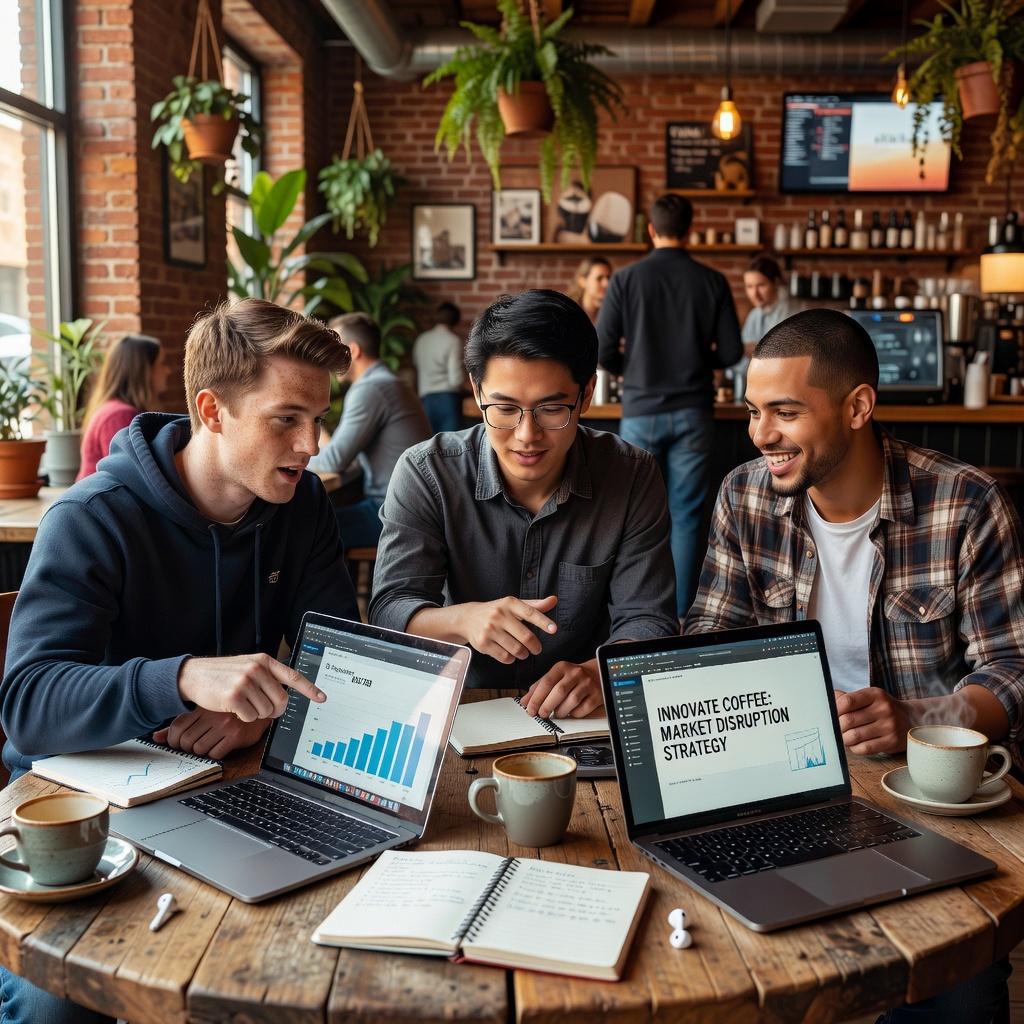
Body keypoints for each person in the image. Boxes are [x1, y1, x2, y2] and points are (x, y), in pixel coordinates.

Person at [0, 297, 357, 1024]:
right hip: (82, 812)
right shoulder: (92, 518)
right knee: (58, 1012)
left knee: (313, 964)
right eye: (287, 419)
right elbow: (29, 706)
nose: (311, 444)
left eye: (319, 420)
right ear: (212, 410)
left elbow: (342, 654)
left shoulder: (303, 507)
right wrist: (185, 675)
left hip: (234, 785)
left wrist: (264, 718)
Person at [684, 307, 1024, 1024]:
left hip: (930, 799)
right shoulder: (743, 497)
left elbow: (1013, 672)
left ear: (859, 406)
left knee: (955, 997)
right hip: (780, 784)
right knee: (730, 970)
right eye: (753, 412)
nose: (760, 434)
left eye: (783, 412)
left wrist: (917, 719)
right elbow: (710, 636)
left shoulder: (966, 504)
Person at [369, 289, 677, 720]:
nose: (526, 435)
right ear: (477, 392)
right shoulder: (428, 473)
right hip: (462, 707)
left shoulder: (631, 475)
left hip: (582, 716)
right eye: (505, 408)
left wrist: (599, 674)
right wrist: (464, 620)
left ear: (586, 394)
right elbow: (389, 610)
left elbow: (648, 620)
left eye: (552, 409)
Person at [596, 192, 743, 619]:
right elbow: (732, 352)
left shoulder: (625, 279)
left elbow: (602, 350)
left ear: (650, 230)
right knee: (687, 516)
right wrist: (698, 360)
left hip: (640, 411)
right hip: (694, 410)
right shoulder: (712, 280)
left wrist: (634, 368)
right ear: (691, 229)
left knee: (630, 515)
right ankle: (677, 617)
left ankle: (633, 614)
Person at [309, 312, 431, 550]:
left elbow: (334, 461)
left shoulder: (371, 388)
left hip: (393, 514)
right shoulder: (389, 382)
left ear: (352, 351)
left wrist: (291, 458)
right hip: (407, 508)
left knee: (305, 531)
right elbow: (347, 458)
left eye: (335, 349)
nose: (329, 361)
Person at [76, 332, 167, 480]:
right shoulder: (119, 416)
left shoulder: (117, 410)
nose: (168, 370)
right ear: (143, 372)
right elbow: (130, 478)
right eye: (162, 363)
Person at [411, 301, 466, 434]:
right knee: (449, 445)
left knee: (428, 444)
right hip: (447, 400)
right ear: (456, 320)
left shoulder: (421, 339)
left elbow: (416, 365)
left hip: (425, 399)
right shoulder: (453, 341)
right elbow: (456, 379)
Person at [566, 255, 611, 324]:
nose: (606, 284)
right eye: (599, 278)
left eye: (608, 278)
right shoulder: (568, 314)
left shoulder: (611, 312)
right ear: (583, 281)